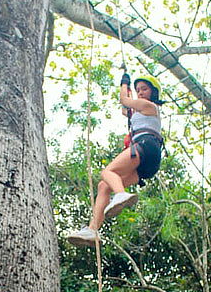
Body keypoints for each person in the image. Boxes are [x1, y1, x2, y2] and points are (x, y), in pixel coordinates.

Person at [67, 73, 165, 247]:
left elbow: (124, 101)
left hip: (145, 145)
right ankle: (93, 230)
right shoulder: (142, 111)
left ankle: (121, 195)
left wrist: (123, 84)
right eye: (138, 90)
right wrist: (127, 89)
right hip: (149, 161)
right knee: (104, 186)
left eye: (144, 89)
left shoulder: (149, 105)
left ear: (153, 92)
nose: (140, 93)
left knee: (108, 172)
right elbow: (125, 110)